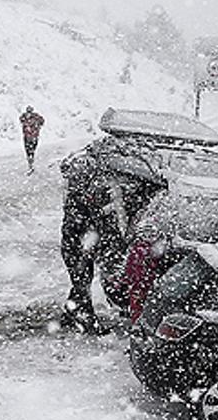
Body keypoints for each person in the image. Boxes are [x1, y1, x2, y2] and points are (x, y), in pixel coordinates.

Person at [57, 137, 165, 334]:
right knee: (82, 279)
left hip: (80, 242)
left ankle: (73, 314)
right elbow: (95, 224)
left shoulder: (87, 192)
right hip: (80, 242)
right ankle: (83, 319)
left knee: (82, 279)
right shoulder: (93, 196)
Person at [19, 105, 45, 174]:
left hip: (29, 137)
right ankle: (31, 161)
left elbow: (21, 120)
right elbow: (42, 121)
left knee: (28, 150)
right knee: (32, 149)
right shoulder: (35, 117)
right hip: (33, 137)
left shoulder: (26, 118)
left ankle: (30, 162)